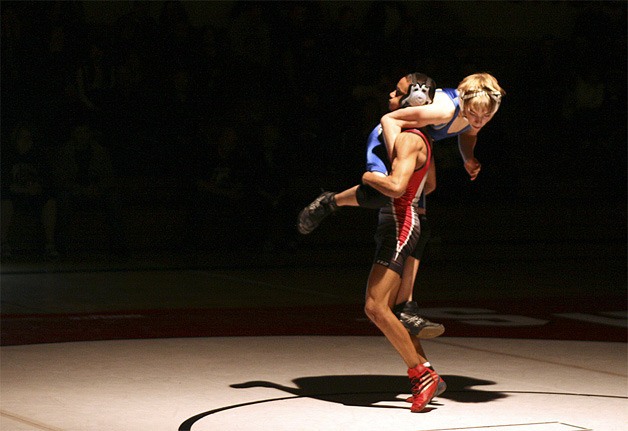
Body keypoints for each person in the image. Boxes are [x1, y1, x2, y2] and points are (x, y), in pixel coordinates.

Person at [360, 72, 441, 413]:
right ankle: (423, 374)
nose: (391, 94)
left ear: (414, 102)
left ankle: (423, 374)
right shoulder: (420, 138)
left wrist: (369, 177)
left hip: (399, 224)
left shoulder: (408, 140)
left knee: (375, 307)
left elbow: (394, 186)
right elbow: (431, 184)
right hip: (401, 221)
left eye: (398, 91)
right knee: (388, 309)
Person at [1, 124, 59, 260]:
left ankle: (50, 245)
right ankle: (2, 243)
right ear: (15, 139)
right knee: (5, 201)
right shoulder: (7, 157)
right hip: (13, 195)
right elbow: (4, 182)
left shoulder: (38, 157)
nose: (27, 141)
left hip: (33, 195)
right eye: (22, 138)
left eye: (29, 138)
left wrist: (38, 187)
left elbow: (47, 179)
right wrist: (18, 188)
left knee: (50, 201)